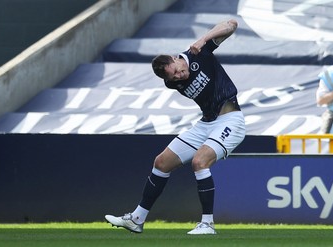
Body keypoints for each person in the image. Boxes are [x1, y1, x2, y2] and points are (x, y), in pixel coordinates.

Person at [105, 19, 246, 235]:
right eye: (174, 76)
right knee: (161, 162)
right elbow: (175, 76)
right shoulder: (171, 82)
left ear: (175, 58)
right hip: (206, 123)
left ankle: (207, 224)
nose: (180, 76)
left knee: (200, 162)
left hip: (230, 120)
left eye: (178, 70)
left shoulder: (199, 52)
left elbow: (232, 24)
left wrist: (204, 39)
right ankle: (136, 219)